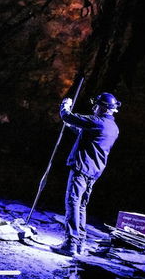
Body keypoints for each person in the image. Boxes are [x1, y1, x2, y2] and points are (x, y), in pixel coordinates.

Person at [50, 92, 121, 256]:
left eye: (96, 105)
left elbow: (67, 116)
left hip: (82, 167)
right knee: (81, 205)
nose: (94, 107)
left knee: (72, 202)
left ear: (102, 107)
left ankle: (70, 244)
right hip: (95, 171)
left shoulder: (97, 121)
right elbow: (89, 133)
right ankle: (79, 243)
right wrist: (72, 126)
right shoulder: (113, 127)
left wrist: (65, 106)